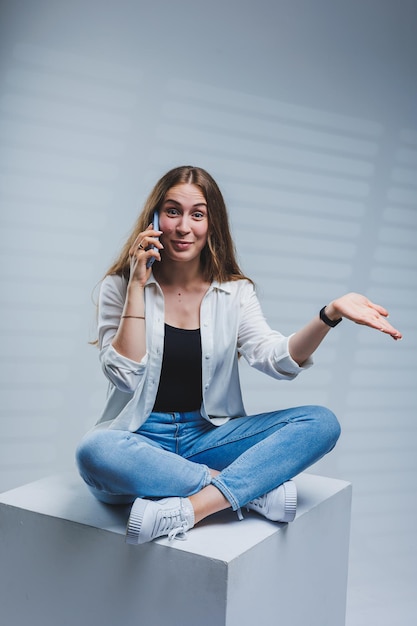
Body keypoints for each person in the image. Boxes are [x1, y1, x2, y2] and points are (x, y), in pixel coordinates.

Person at [76, 165, 402, 545]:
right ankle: (249, 489)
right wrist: (136, 283)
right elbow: (124, 376)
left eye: (197, 214)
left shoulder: (235, 292)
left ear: (212, 224)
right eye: (172, 211)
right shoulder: (119, 287)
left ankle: (191, 508)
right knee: (94, 450)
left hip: (210, 438)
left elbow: (276, 360)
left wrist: (329, 314)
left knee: (321, 422)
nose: (184, 226)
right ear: (154, 218)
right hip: (140, 439)